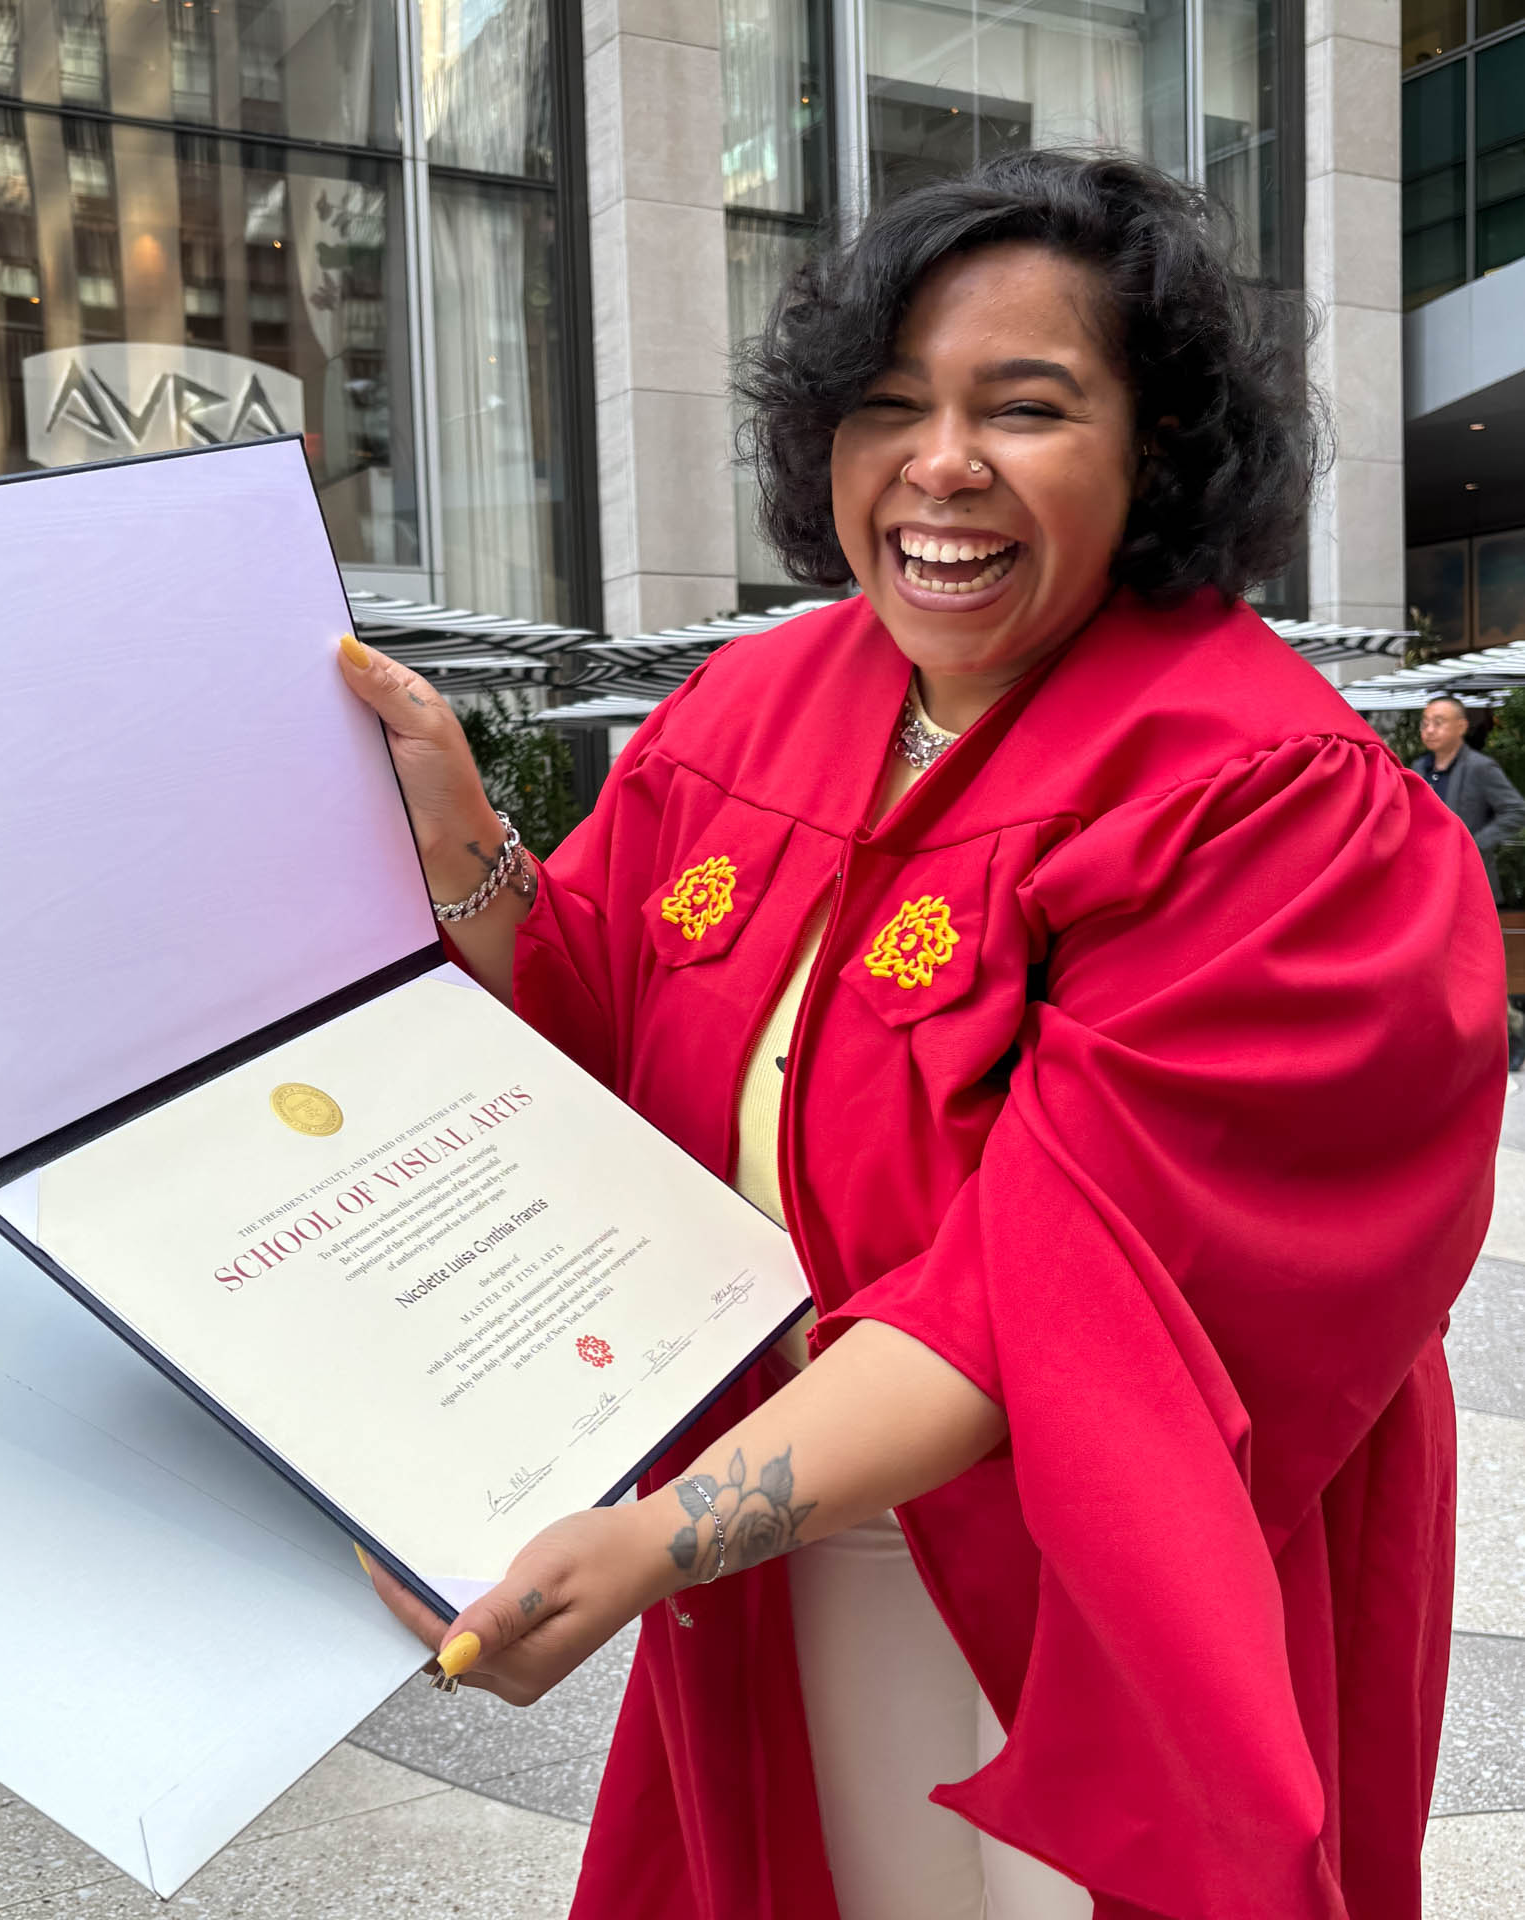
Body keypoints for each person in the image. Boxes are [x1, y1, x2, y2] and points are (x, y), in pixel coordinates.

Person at [339, 152, 1502, 1920]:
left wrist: (655, 1536)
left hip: (1088, 1598)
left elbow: (1059, 1284)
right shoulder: (755, 700)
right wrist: (458, 849)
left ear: (1155, 446)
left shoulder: (1268, 801)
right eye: (888, 404)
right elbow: (588, 1017)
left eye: (1022, 408)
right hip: (775, 1542)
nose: (938, 465)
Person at [1414, 695, 1525, 1068]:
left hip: (1471, 883)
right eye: (1425, 722)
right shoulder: (1418, 769)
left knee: (1477, 966)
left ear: (1461, 726)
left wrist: (1473, 845)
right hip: (1430, 886)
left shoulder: (1480, 768)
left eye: (1438, 721)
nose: (1429, 729)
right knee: (1436, 967)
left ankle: (1510, 1033)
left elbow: (1515, 809)